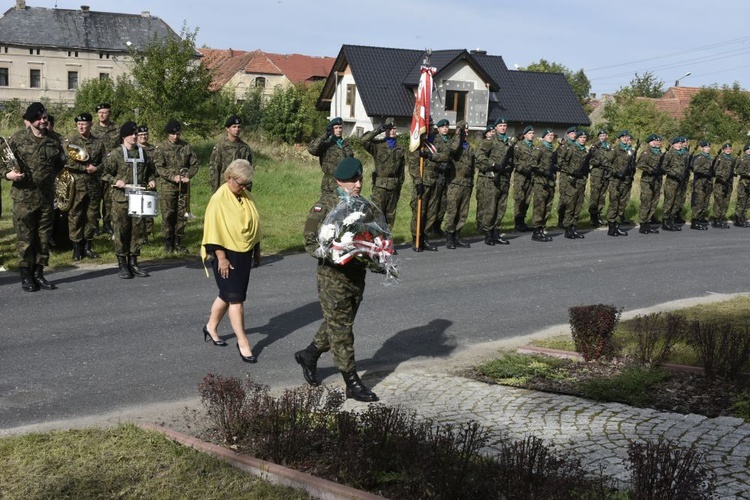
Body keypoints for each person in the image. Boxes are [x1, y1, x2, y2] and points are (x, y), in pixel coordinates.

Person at [294, 157, 378, 402]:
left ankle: (308, 355)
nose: (358, 184)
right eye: (353, 180)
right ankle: (351, 382)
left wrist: (378, 256)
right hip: (333, 278)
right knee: (342, 331)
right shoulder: (324, 206)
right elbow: (310, 242)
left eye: (360, 179)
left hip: (356, 276)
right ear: (340, 181)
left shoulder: (364, 206)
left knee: (339, 323)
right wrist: (335, 254)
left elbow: (373, 235)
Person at [200, 159, 261, 363]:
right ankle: (243, 342)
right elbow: (214, 230)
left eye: (246, 184)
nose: (243, 188)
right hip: (225, 254)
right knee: (236, 300)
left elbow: (254, 225)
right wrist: (222, 259)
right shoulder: (219, 199)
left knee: (226, 295)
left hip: (243, 254)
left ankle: (210, 327)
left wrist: (257, 251)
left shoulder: (246, 196)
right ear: (229, 178)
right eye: (240, 183)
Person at [3, 102, 65, 291]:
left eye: (45, 116)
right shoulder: (17, 138)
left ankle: (39, 273)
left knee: (43, 237)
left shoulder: (55, 140)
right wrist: (8, 175)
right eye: (39, 118)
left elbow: (59, 164)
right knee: (25, 238)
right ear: (30, 122)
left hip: (46, 198)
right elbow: (2, 161)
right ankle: (26, 275)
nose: (43, 120)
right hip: (24, 197)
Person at [101, 121, 156, 279]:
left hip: (138, 197)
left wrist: (152, 180)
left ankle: (134, 261)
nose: (134, 136)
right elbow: (103, 173)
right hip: (121, 199)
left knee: (137, 231)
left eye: (136, 134)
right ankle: (122, 263)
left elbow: (150, 171)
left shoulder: (143, 152)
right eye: (131, 134)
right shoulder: (116, 153)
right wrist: (115, 181)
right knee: (121, 231)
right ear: (124, 136)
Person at [408, 119, 458, 251]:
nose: (428, 128)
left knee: (431, 212)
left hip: (437, 182)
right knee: (419, 212)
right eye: (426, 126)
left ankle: (425, 238)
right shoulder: (418, 142)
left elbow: (446, 155)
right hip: (423, 183)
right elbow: (413, 164)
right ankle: (416, 239)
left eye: (430, 126)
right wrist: (418, 182)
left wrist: (430, 155)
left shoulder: (438, 139)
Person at [64, 112, 106, 259]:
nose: (81, 127)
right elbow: (67, 161)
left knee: (92, 216)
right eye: (79, 124)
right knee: (75, 215)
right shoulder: (71, 141)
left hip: (94, 185)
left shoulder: (98, 142)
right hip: (77, 185)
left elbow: (105, 162)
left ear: (91, 125)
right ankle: (76, 247)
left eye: (84, 124)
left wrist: (97, 169)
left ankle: (88, 246)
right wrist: (84, 169)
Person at [154, 119, 199, 253]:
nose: (175, 136)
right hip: (167, 187)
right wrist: (172, 177)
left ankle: (178, 242)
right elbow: (159, 167)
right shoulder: (161, 148)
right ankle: (168, 242)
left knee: (181, 215)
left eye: (178, 134)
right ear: (168, 134)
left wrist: (188, 176)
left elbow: (194, 163)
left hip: (183, 188)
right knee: (168, 215)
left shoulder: (186, 147)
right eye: (173, 134)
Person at [474, 117, 513, 245]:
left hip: (504, 178)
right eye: (500, 125)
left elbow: (513, 160)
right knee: (490, 207)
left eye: (504, 125)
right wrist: (493, 164)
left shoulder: (508, 143)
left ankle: (496, 232)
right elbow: (479, 155)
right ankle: (488, 233)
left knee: (501, 207)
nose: (503, 127)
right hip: (492, 179)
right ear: (495, 127)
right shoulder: (490, 141)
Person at [361, 117, 405, 229]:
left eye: (394, 128)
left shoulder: (400, 148)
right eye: (390, 129)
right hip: (380, 186)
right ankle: (375, 240)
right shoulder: (378, 145)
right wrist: (378, 130)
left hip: (394, 186)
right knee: (377, 213)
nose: (392, 131)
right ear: (386, 130)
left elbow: (401, 172)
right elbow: (363, 140)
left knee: (390, 216)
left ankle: (387, 240)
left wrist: (399, 186)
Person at [444, 120, 474, 249]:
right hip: (455, 182)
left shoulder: (470, 147)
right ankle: (449, 237)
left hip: (467, 183)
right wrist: (457, 134)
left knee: (463, 211)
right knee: (452, 211)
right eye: (463, 130)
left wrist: (471, 182)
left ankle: (457, 235)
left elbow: (472, 167)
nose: (465, 133)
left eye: (466, 130)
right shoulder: (454, 145)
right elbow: (452, 150)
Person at [308, 117, 355, 197]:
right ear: (331, 130)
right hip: (330, 182)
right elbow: (312, 149)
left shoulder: (345, 144)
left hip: (345, 181)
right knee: (328, 206)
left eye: (340, 127)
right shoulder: (326, 144)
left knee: (344, 206)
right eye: (336, 128)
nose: (339, 130)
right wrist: (325, 134)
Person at [93, 103, 120, 236]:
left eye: (105, 112)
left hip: (111, 170)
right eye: (100, 113)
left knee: (109, 199)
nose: (102, 115)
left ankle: (107, 224)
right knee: (95, 199)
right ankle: (95, 224)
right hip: (96, 170)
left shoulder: (117, 129)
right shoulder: (92, 129)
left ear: (109, 113)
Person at [209, 115, 253, 193]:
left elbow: (248, 170)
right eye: (234, 127)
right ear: (227, 128)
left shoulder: (245, 148)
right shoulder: (220, 147)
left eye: (239, 127)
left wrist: (247, 189)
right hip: (224, 187)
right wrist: (215, 191)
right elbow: (214, 169)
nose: (237, 129)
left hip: (240, 188)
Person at [560, 130, 589, 239]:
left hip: (581, 181)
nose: (582, 139)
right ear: (577, 138)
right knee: (570, 206)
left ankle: (574, 227)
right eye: (581, 137)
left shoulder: (585, 151)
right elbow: (562, 163)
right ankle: (567, 228)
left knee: (578, 205)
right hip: (572, 181)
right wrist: (571, 172)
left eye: (584, 138)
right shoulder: (571, 149)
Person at [529, 129, 557, 242]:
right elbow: (532, 164)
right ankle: (536, 231)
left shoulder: (552, 150)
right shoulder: (539, 149)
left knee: (547, 207)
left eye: (552, 135)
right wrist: (543, 172)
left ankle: (542, 229)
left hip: (550, 182)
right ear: (544, 137)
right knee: (539, 207)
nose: (550, 137)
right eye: (548, 135)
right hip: (541, 182)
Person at [605, 130, 634, 237]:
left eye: (627, 137)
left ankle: (617, 226)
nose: (625, 139)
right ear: (620, 138)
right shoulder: (615, 149)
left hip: (626, 181)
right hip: (615, 181)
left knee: (622, 204)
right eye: (623, 137)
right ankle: (611, 227)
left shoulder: (630, 150)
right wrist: (615, 172)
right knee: (614, 203)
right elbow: (605, 162)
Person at [636, 134, 664, 233]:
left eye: (659, 141)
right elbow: (640, 164)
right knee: (646, 202)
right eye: (655, 141)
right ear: (650, 142)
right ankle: (643, 224)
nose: (657, 143)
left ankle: (648, 221)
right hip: (648, 181)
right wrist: (651, 170)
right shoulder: (646, 152)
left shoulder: (660, 153)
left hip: (657, 181)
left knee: (654, 202)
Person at [660, 137, 688, 231]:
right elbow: (664, 166)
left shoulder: (683, 154)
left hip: (680, 181)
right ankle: (665, 221)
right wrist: (674, 174)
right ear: (673, 144)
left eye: (680, 143)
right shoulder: (670, 154)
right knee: (669, 202)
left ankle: (672, 220)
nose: (679, 145)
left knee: (677, 202)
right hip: (671, 182)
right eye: (677, 143)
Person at [512, 126, 535, 232]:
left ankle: (522, 221)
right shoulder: (519, 146)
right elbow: (514, 160)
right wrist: (521, 169)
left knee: (527, 200)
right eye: (530, 133)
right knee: (519, 200)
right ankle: (517, 222)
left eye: (533, 133)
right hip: (520, 177)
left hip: (530, 178)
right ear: (525, 135)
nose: (532, 135)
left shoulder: (534, 147)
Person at [587, 129, 612, 227]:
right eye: (601, 136)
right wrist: (597, 163)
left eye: (604, 135)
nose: (603, 137)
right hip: (597, 173)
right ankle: (593, 217)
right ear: (598, 137)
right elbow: (588, 159)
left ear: (607, 136)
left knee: (602, 196)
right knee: (595, 195)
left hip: (606, 173)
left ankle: (599, 215)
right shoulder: (595, 147)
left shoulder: (609, 146)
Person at [556, 126, 579, 227]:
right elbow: (560, 162)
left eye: (575, 133)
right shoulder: (564, 146)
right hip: (565, 175)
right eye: (572, 133)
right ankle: (561, 220)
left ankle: (569, 220)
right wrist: (570, 171)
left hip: (575, 176)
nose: (574, 135)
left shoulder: (577, 146)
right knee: (564, 198)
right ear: (568, 134)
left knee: (573, 198)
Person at [136, 125, 156, 242]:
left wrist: (153, 179)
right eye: (141, 135)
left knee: (148, 209)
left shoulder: (154, 149)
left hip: (150, 182)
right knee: (138, 210)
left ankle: (148, 234)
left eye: (145, 134)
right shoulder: (134, 150)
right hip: (138, 183)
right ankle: (139, 235)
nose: (143, 137)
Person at [690, 140, 713, 230]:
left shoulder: (709, 158)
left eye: (708, 147)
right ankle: (694, 221)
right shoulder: (700, 157)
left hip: (708, 183)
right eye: (705, 147)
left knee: (705, 202)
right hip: (700, 182)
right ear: (702, 148)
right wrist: (706, 172)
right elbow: (696, 169)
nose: (707, 149)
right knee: (699, 202)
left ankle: (700, 218)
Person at [711, 142, 735, 229]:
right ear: (723, 150)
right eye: (726, 149)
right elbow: (715, 170)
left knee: (726, 202)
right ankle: (716, 219)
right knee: (719, 202)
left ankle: (721, 218)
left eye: (729, 149)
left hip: (728, 184)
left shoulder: (732, 159)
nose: (728, 150)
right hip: (720, 184)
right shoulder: (720, 158)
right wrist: (724, 177)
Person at [733, 144, 750, 227]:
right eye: (748, 149)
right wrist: (748, 173)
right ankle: (738, 219)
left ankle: (743, 218)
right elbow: (739, 170)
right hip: (744, 183)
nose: (749, 150)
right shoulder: (744, 159)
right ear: (745, 151)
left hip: (749, 184)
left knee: (747, 202)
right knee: (741, 201)